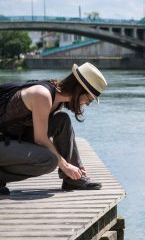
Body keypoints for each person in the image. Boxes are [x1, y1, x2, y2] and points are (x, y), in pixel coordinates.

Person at [0, 62, 107, 195]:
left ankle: (73, 179)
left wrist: (73, 168)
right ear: (79, 90)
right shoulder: (42, 95)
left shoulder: (58, 98)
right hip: (4, 140)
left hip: (13, 138)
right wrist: (65, 165)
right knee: (49, 160)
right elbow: (40, 139)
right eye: (89, 99)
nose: (87, 104)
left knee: (62, 120)